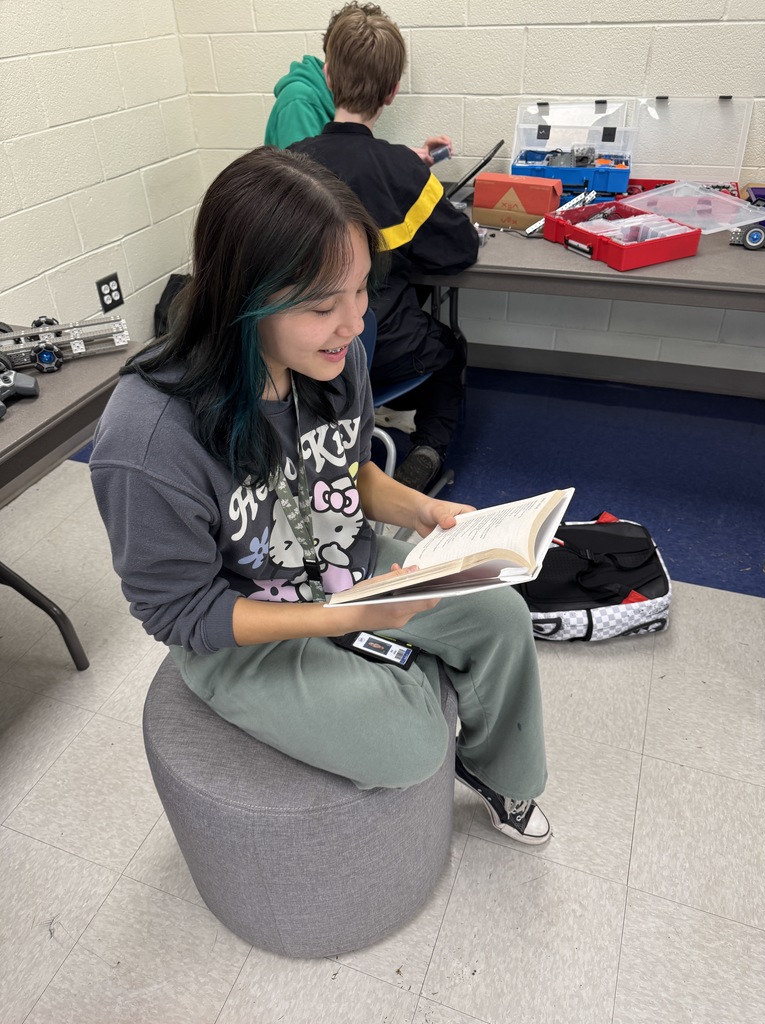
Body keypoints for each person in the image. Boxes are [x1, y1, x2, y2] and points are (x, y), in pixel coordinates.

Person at [90, 147, 549, 845]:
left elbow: (346, 472)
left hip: (336, 557)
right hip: (243, 624)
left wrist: (423, 511)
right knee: (411, 747)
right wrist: (342, 617)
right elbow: (177, 611)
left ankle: (497, 771)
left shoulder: (334, 356)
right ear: (244, 298)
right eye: (322, 305)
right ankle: (383, 665)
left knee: (502, 617)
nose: (355, 323)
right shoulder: (149, 439)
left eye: (363, 289)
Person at [291, 3, 479, 492]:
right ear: (393, 91)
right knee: (451, 348)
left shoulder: (287, 166)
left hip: (303, 351)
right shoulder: (403, 171)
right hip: (385, 350)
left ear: (328, 75)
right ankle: (428, 450)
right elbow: (458, 250)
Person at [264, 1, 451, 167]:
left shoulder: (341, 105)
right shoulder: (299, 102)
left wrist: (407, 158)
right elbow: (312, 190)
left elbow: (349, 157)